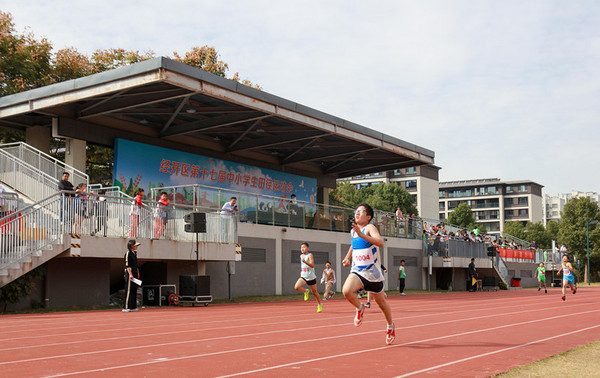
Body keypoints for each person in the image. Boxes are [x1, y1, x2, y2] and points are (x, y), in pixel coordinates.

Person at [342, 203, 395, 345]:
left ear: (368, 216)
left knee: (381, 303)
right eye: (356, 211)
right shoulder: (353, 231)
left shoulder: (370, 228)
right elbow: (353, 245)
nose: (357, 213)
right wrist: (347, 258)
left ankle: (390, 326)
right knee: (346, 291)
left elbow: (380, 243)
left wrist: (362, 234)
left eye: (361, 211)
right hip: (358, 270)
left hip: (373, 273)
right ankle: (360, 308)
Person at [294, 242, 323, 313]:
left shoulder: (309, 255)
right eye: (301, 248)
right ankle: (306, 291)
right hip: (303, 276)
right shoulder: (301, 256)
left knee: (315, 293)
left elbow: (312, 265)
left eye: (304, 247)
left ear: (308, 248)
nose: (302, 249)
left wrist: (305, 261)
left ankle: (319, 304)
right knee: (297, 287)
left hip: (311, 277)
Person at [123, 239, 141, 312]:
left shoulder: (134, 253)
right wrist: (130, 274)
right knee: (129, 290)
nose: (137, 246)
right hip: (130, 274)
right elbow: (127, 266)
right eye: (135, 245)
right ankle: (126, 307)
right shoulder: (128, 253)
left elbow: (135, 265)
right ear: (131, 246)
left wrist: (137, 272)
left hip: (135, 273)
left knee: (134, 290)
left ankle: (133, 306)